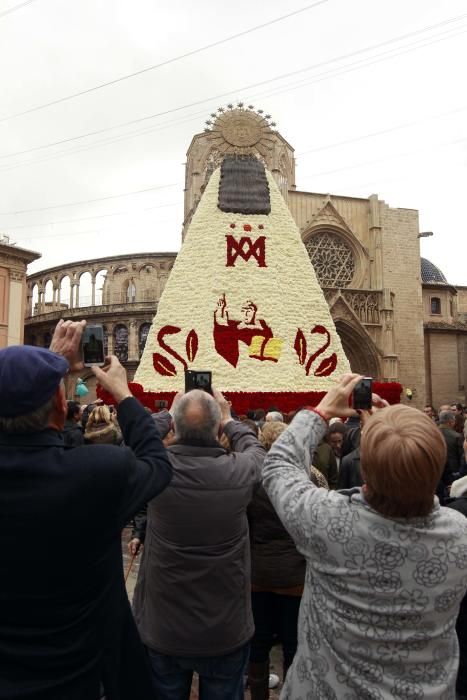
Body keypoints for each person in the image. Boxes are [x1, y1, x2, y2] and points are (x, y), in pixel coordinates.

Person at [262, 373, 467, 699]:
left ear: (364, 468)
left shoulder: (327, 521)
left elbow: (277, 466)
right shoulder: (459, 535)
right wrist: (390, 436)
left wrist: (323, 410)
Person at [0, 319, 173, 700]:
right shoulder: (96, 473)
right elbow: (157, 464)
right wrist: (123, 395)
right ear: (62, 406)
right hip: (76, 680)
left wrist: (46, 367)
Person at [132, 388, 265, 699]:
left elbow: (135, 442)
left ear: (174, 428)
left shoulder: (157, 470)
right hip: (224, 631)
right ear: (218, 428)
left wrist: (167, 414)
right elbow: (258, 452)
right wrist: (230, 418)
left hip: (163, 629)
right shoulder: (239, 471)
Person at [247, 420, 328, 699]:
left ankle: (258, 692)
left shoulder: (251, 478)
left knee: (258, 640)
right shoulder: (311, 476)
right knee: (294, 641)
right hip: (296, 576)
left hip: (258, 572)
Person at [438, 409, 464, 486]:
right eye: (454, 420)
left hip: (437, 470)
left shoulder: (432, 433)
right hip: (453, 472)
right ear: (450, 422)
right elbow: (461, 456)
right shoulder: (457, 436)